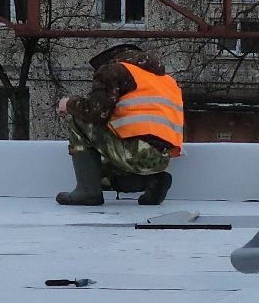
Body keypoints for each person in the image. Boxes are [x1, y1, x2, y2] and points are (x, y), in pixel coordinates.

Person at [55, 43, 182, 206]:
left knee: (78, 119)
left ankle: (87, 192)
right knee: (101, 172)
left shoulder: (114, 71)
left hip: (134, 152)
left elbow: (95, 113)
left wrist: (68, 104)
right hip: (161, 158)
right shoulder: (166, 81)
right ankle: (153, 181)